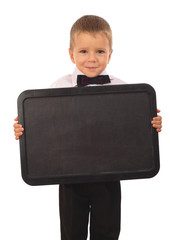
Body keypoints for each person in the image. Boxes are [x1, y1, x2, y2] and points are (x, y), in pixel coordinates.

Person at [13, 15, 162, 240]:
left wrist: (152, 124)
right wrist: (24, 130)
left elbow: (134, 129)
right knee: (72, 233)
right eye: (83, 51)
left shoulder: (125, 90)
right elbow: (43, 125)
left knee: (108, 232)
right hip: (70, 176)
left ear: (110, 54)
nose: (92, 58)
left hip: (110, 176)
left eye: (100, 51)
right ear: (71, 53)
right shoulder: (57, 89)